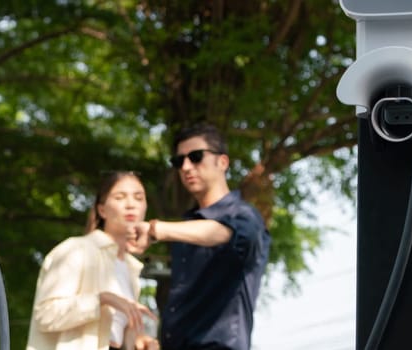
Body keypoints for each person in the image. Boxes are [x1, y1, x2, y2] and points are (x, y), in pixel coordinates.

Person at [134, 123, 271, 350]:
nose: (186, 167)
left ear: (222, 162)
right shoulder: (188, 225)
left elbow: (229, 233)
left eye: (196, 157)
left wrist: (156, 229)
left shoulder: (244, 215)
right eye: (179, 161)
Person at [26, 171, 160, 350]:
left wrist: (138, 341)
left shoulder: (130, 268)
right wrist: (103, 299)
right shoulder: (76, 249)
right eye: (120, 197)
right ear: (101, 209)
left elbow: (113, 335)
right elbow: (45, 315)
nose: (130, 205)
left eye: (138, 198)